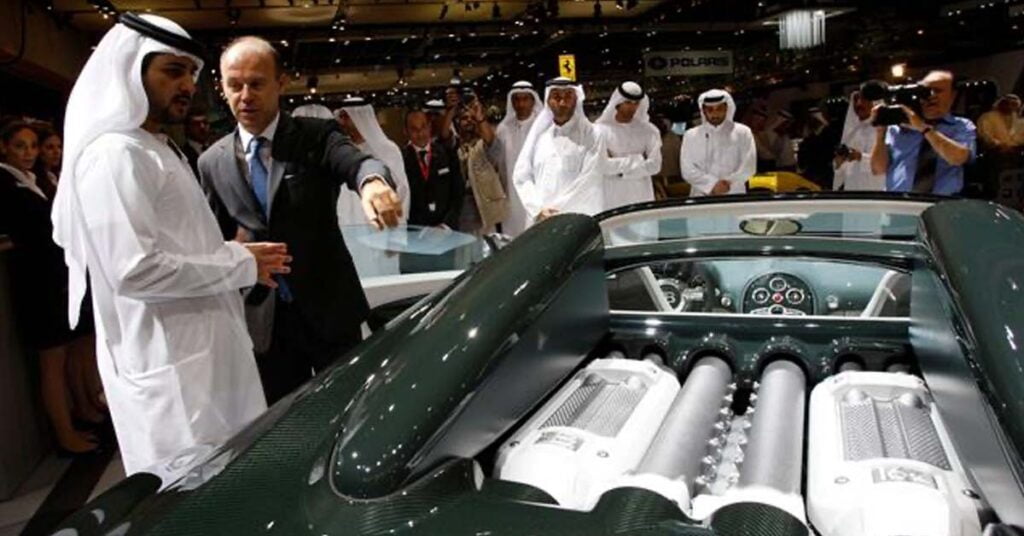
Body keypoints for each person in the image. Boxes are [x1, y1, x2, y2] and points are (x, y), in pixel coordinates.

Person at [51, 13, 292, 474]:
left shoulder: (154, 148)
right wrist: (239, 263)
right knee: (193, 497)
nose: (186, 85)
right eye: (171, 71)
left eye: (190, 74)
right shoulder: (114, 155)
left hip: (200, 360)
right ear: (131, 71)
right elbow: (134, 271)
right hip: (175, 374)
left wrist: (232, 256)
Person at [199, 36, 402, 405]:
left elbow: (356, 162)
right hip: (265, 323)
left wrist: (372, 183)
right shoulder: (212, 162)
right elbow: (215, 242)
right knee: (283, 423)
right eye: (235, 85)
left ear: (281, 82)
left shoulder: (315, 136)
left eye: (257, 84)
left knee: (348, 410)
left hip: (330, 311)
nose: (245, 95)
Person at [0, 120, 104, 455]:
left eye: (32, 146)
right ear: (4, 147)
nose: (29, 153)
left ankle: (80, 413)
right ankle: (65, 435)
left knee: (70, 353)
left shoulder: (32, 180)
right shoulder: (4, 182)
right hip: (36, 285)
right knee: (52, 363)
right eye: (20, 146)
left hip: (57, 278)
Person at [513, 77, 607, 225]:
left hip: (577, 221)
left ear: (576, 99)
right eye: (556, 96)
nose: (562, 102)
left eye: (568, 96)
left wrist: (556, 212)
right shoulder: (540, 136)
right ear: (548, 100)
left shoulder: (593, 134)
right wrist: (538, 210)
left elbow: (590, 180)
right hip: (541, 221)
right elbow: (521, 175)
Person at [870, 70, 977, 195]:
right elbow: (878, 169)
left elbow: (959, 158)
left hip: (941, 205)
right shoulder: (898, 128)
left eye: (938, 91)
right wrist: (880, 133)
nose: (931, 96)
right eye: (926, 91)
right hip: (898, 203)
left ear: (952, 95)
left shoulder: (961, 126)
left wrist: (922, 128)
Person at [334, 97, 410, 228]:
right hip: (346, 230)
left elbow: (402, 192)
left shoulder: (387, 150)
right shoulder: (341, 150)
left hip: (379, 230)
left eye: (346, 116)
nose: (343, 122)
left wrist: (398, 235)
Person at [595, 81, 663, 211]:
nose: (632, 107)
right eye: (627, 103)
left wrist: (618, 167)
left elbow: (655, 166)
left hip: (642, 196)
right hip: (612, 197)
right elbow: (602, 166)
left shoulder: (649, 131)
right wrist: (640, 160)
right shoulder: (600, 131)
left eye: (636, 103)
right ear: (618, 103)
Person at [680, 89, 756, 196]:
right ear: (704, 111)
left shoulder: (742, 132)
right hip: (701, 195)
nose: (715, 114)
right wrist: (711, 185)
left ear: (727, 108)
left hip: (734, 193)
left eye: (719, 109)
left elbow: (749, 166)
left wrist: (728, 184)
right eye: (710, 110)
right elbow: (687, 169)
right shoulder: (691, 135)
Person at [494, 80, 542, 237]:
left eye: (525, 99)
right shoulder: (503, 129)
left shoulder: (543, 126)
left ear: (533, 100)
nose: (521, 104)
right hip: (511, 195)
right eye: (516, 99)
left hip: (539, 191)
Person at [403, 109, 464, 229]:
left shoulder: (447, 153)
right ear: (406, 131)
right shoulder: (400, 159)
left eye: (423, 127)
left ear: (429, 126)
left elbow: (458, 193)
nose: (420, 134)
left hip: (448, 232)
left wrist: (446, 225)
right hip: (417, 235)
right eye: (414, 129)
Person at [455, 99, 507, 236]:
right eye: (465, 118)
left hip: (485, 211)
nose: (469, 121)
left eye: (472, 118)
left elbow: (494, 148)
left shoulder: (482, 145)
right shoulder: (454, 146)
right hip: (460, 213)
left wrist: (480, 118)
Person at [834, 85, 886, 191]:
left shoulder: (886, 130)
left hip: (877, 189)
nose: (859, 104)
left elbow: (888, 162)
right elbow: (843, 170)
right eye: (856, 100)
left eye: (864, 100)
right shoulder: (852, 132)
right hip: (853, 190)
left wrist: (860, 157)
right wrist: (839, 163)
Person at [797, 105, 843, 189]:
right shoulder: (810, 136)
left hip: (826, 173)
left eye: (812, 120)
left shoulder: (830, 133)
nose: (810, 122)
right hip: (812, 173)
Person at [181, 108, 210, 179]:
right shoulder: (183, 155)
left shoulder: (218, 147)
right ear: (187, 129)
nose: (202, 127)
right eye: (196, 124)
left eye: (205, 123)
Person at [34, 124, 63, 188]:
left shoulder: (55, 175)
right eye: (50, 147)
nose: (56, 152)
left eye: (59, 147)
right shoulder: (34, 179)